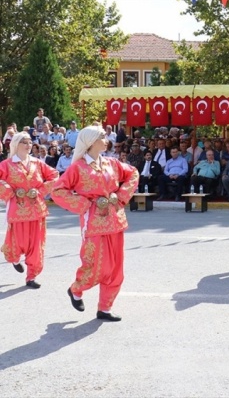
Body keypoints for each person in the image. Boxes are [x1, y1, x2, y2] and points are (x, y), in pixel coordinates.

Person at [52, 125, 138, 321]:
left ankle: (105, 308)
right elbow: (58, 191)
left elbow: (133, 174)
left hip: (115, 220)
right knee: (96, 264)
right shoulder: (77, 168)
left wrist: (120, 195)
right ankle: (76, 289)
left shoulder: (112, 163)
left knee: (116, 267)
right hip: (94, 222)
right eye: (102, 137)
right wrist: (86, 204)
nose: (106, 140)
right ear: (91, 142)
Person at [0, 132, 59, 288]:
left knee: (36, 243)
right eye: (24, 142)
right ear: (16, 144)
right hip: (17, 209)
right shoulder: (7, 164)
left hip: (36, 209)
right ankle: (13, 258)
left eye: (30, 142)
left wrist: (40, 191)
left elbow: (54, 175)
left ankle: (31, 276)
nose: (28, 145)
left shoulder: (37, 163)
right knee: (17, 241)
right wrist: (9, 190)